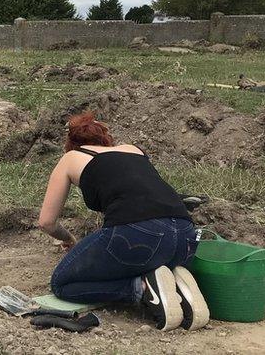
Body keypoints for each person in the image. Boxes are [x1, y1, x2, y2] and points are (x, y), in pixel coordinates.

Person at [38, 113, 208, 332]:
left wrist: (70, 238)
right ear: (106, 139)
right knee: (138, 255)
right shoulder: (134, 150)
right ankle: (174, 281)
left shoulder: (71, 157)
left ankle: (142, 287)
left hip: (139, 233)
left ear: (71, 143)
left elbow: (46, 222)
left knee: (62, 284)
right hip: (185, 236)